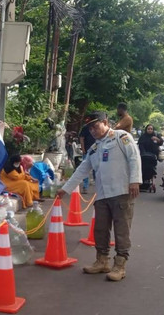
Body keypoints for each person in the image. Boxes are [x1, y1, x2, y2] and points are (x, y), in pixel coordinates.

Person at [56, 111, 141, 282]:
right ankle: (102, 261)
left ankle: (120, 265)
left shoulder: (121, 137)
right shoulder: (94, 148)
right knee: (100, 230)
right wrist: (65, 189)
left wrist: (135, 181)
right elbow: (82, 169)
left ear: (105, 122)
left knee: (121, 231)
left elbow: (134, 158)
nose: (93, 131)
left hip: (122, 192)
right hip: (102, 194)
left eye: (95, 126)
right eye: (90, 128)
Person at [79, 117, 96, 194]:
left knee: (96, 169)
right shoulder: (85, 128)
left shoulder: (96, 127)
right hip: (87, 151)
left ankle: (98, 186)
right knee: (85, 169)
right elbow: (81, 138)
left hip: (96, 151)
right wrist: (83, 149)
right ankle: (85, 187)